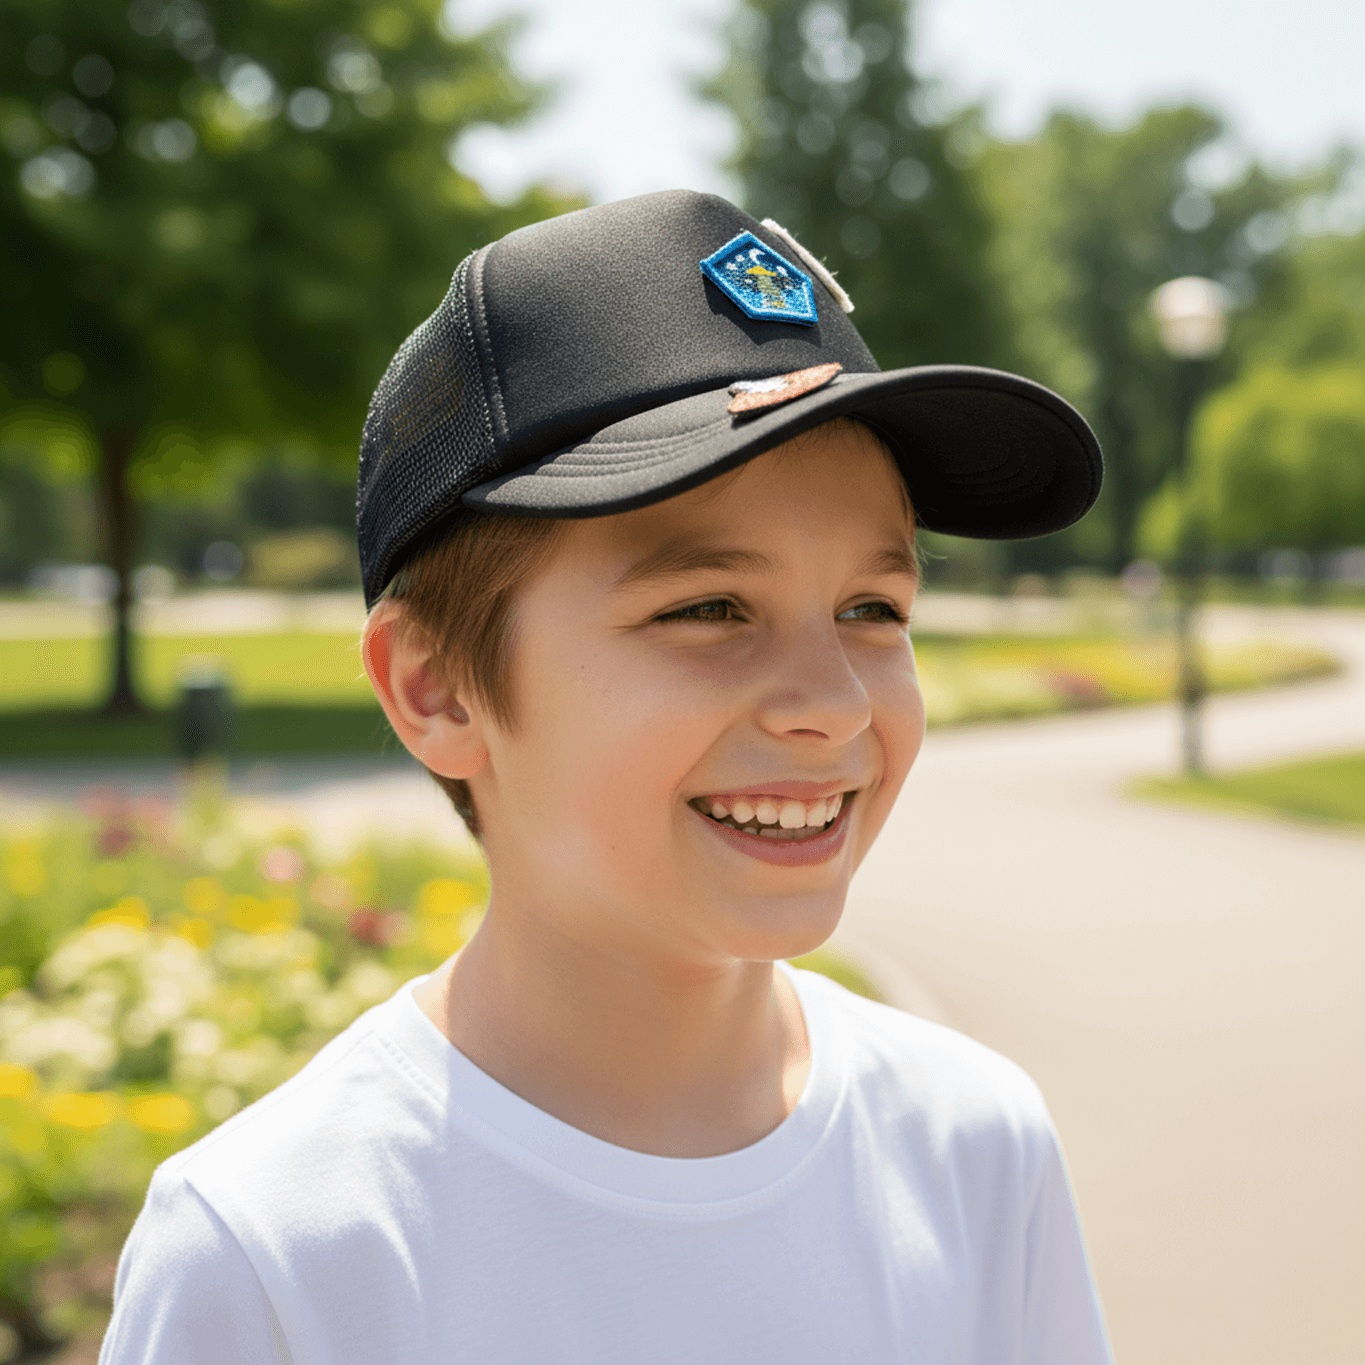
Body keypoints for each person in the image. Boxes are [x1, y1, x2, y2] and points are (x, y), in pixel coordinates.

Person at [100, 190, 1112, 1363]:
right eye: (708, 608)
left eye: (871, 608)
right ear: (437, 689)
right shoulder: (279, 1256)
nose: (833, 702)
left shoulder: (975, 1148)